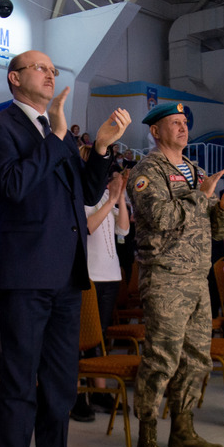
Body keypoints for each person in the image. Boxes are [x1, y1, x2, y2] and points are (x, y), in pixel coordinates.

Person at [0, 49, 128, 447]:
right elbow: (16, 187)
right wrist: (60, 134)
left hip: (65, 274)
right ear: (15, 78)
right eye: (42, 68)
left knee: (60, 384)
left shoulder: (52, 133)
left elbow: (83, 194)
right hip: (24, 275)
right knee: (20, 385)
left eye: (54, 70)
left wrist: (99, 149)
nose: (51, 74)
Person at [126, 101, 224, 447]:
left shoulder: (196, 170)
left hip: (197, 276)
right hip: (165, 276)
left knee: (196, 358)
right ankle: (146, 439)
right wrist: (203, 197)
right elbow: (160, 217)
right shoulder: (146, 171)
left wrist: (223, 207)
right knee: (162, 358)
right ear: (154, 131)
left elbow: (214, 231)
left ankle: (182, 430)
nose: (181, 128)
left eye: (183, 123)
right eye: (172, 123)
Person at [72, 148, 130, 422]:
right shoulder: (84, 197)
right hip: (90, 275)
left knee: (101, 336)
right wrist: (111, 201)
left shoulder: (110, 196)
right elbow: (88, 227)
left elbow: (124, 231)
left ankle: (99, 391)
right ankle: (76, 395)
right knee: (81, 338)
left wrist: (121, 200)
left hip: (110, 275)